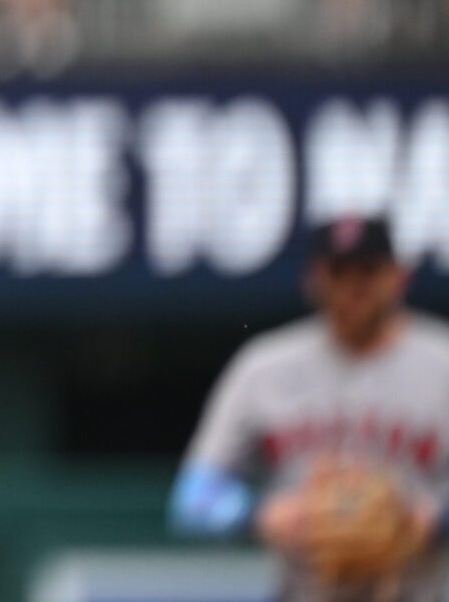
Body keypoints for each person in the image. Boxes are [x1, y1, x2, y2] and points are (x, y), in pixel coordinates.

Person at [173, 216, 449, 600]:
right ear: (313, 279)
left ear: (397, 277)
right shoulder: (262, 367)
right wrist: (259, 514)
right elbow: (193, 498)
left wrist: (435, 519)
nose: (352, 288)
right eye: (338, 273)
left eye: (366, 272)